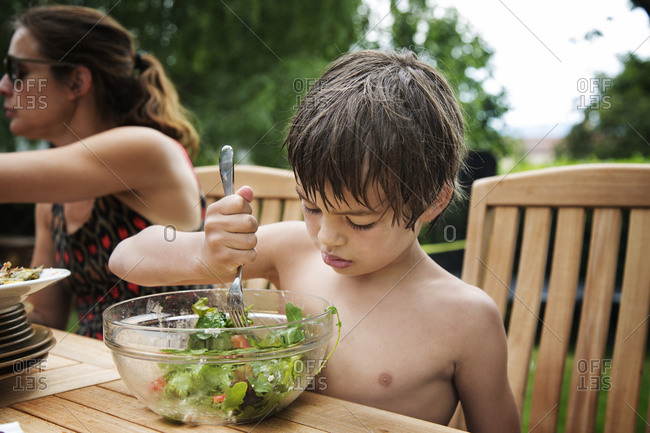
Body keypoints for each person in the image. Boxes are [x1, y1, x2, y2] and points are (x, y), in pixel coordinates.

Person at [109, 50, 520, 431]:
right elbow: (127, 258)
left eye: (359, 222)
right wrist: (204, 254)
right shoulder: (291, 250)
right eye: (311, 207)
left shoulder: (466, 319)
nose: (327, 237)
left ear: (433, 201)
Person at [0, 5, 211, 339]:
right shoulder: (52, 199)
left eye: (18, 71)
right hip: (94, 372)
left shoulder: (145, 150)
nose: (3, 86)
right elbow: (46, 315)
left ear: (77, 81)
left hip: (179, 370)